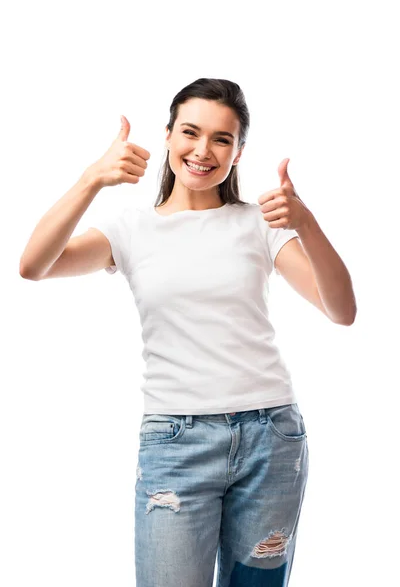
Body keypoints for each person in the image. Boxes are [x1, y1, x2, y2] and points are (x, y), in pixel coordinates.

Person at [20, 77, 357, 586]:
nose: (203, 151)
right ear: (168, 135)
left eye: (222, 139)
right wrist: (92, 178)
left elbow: (342, 310)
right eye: (191, 133)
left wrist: (306, 223)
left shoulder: (259, 224)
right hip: (176, 443)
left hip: (272, 437)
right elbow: (34, 265)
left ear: (239, 151)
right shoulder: (130, 229)